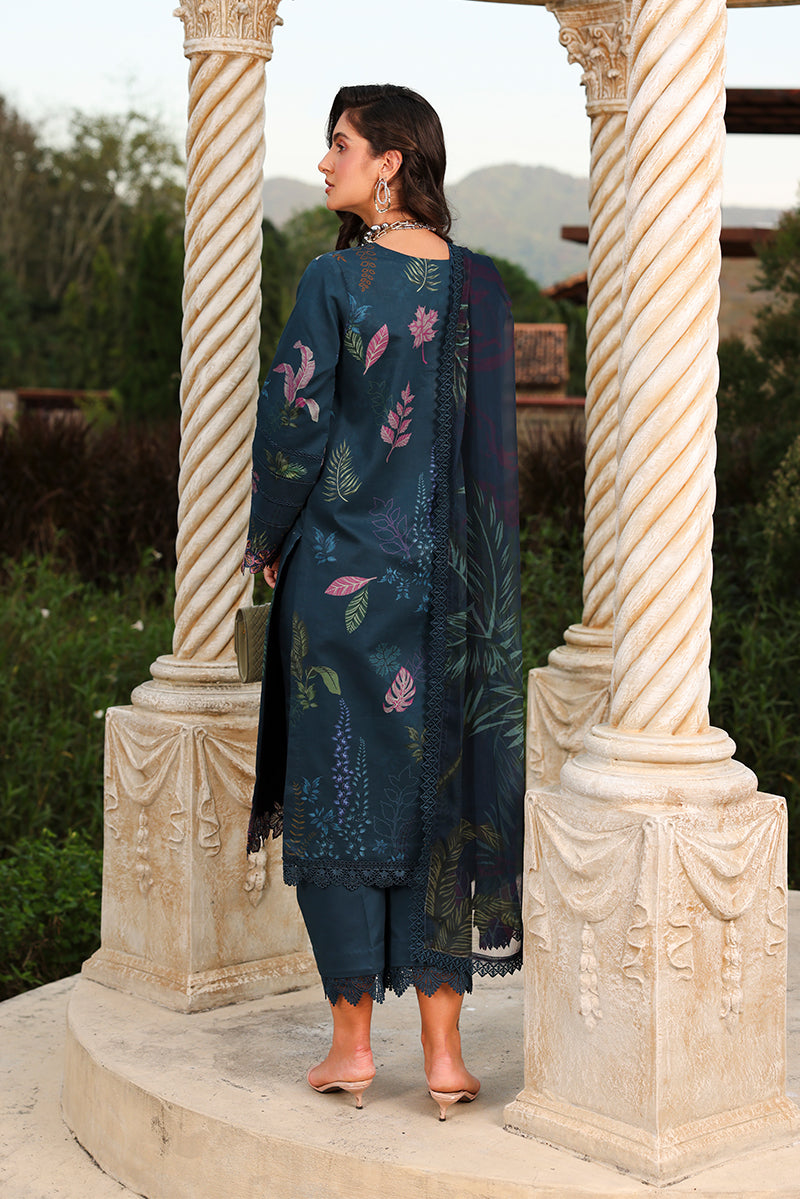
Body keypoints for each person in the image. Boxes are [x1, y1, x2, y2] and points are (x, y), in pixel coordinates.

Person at [243, 84, 523, 1120]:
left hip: (338, 583)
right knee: (438, 798)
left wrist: (266, 541)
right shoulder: (482, 289)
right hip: (452, 595)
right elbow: (495, 461)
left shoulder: (336, 279)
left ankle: (351, 1047)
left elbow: (293, 426)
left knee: (339, 792)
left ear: (390, 162)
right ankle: (445, 1059)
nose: (325, 163)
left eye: (339, 144)